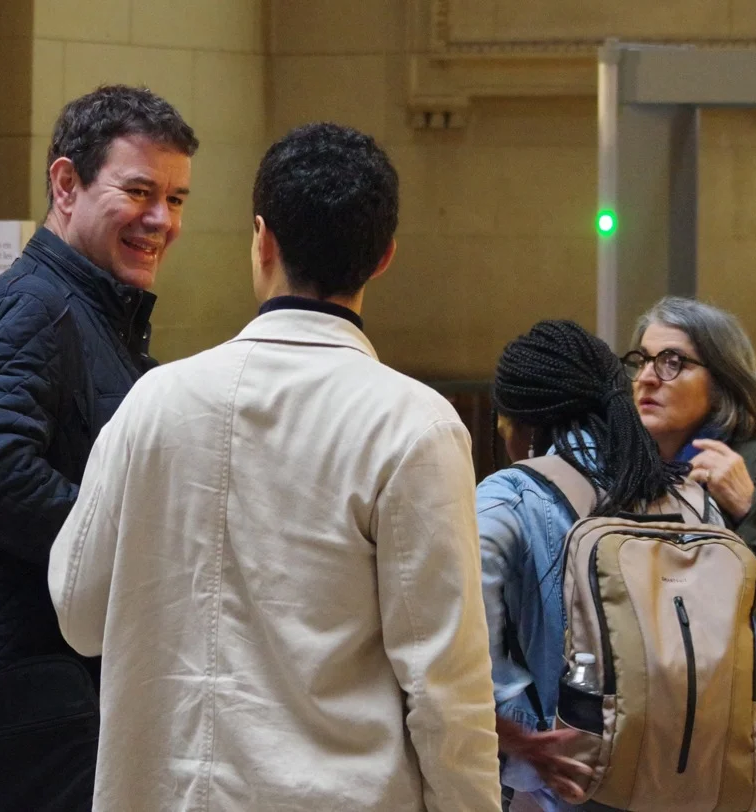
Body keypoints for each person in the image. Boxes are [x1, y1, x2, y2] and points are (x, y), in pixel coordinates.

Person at [48, 122, 502, 811]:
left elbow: (79, 615)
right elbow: (447, 686)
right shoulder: (416, 425)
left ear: (262, 239)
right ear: (384, 257)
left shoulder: (154, 402)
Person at [0, 85, 197, 694]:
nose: (162, 220)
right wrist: (126, 546)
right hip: (19, 705)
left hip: (45, 691)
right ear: (66, 185)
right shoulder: (34, 306)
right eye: (139, 192)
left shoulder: (87, 308)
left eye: (175, 199)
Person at [477, 319, 720, 812]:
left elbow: (469, 650)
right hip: (693, 772)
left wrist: (524, 743)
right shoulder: (691, 498)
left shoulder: (508, 497)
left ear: (520, 422)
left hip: (564, 780)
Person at [627, 295, 756, 812]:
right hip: (661, 748)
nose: (648, 377)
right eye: (642, 360)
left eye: (672, 362)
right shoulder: (632, 471)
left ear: (722, 382)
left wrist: (749, 509)